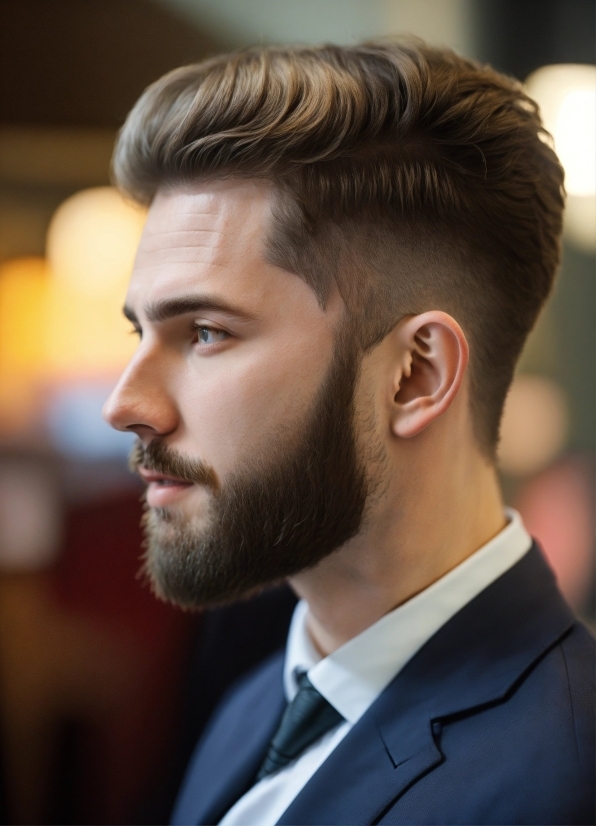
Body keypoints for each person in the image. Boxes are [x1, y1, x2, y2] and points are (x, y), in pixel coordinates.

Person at [103, 40, 594, 825]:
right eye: (140, 333)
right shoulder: (254, 708)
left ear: (416, 376)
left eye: (204, 332)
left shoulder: (564, 782)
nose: (125, 404)